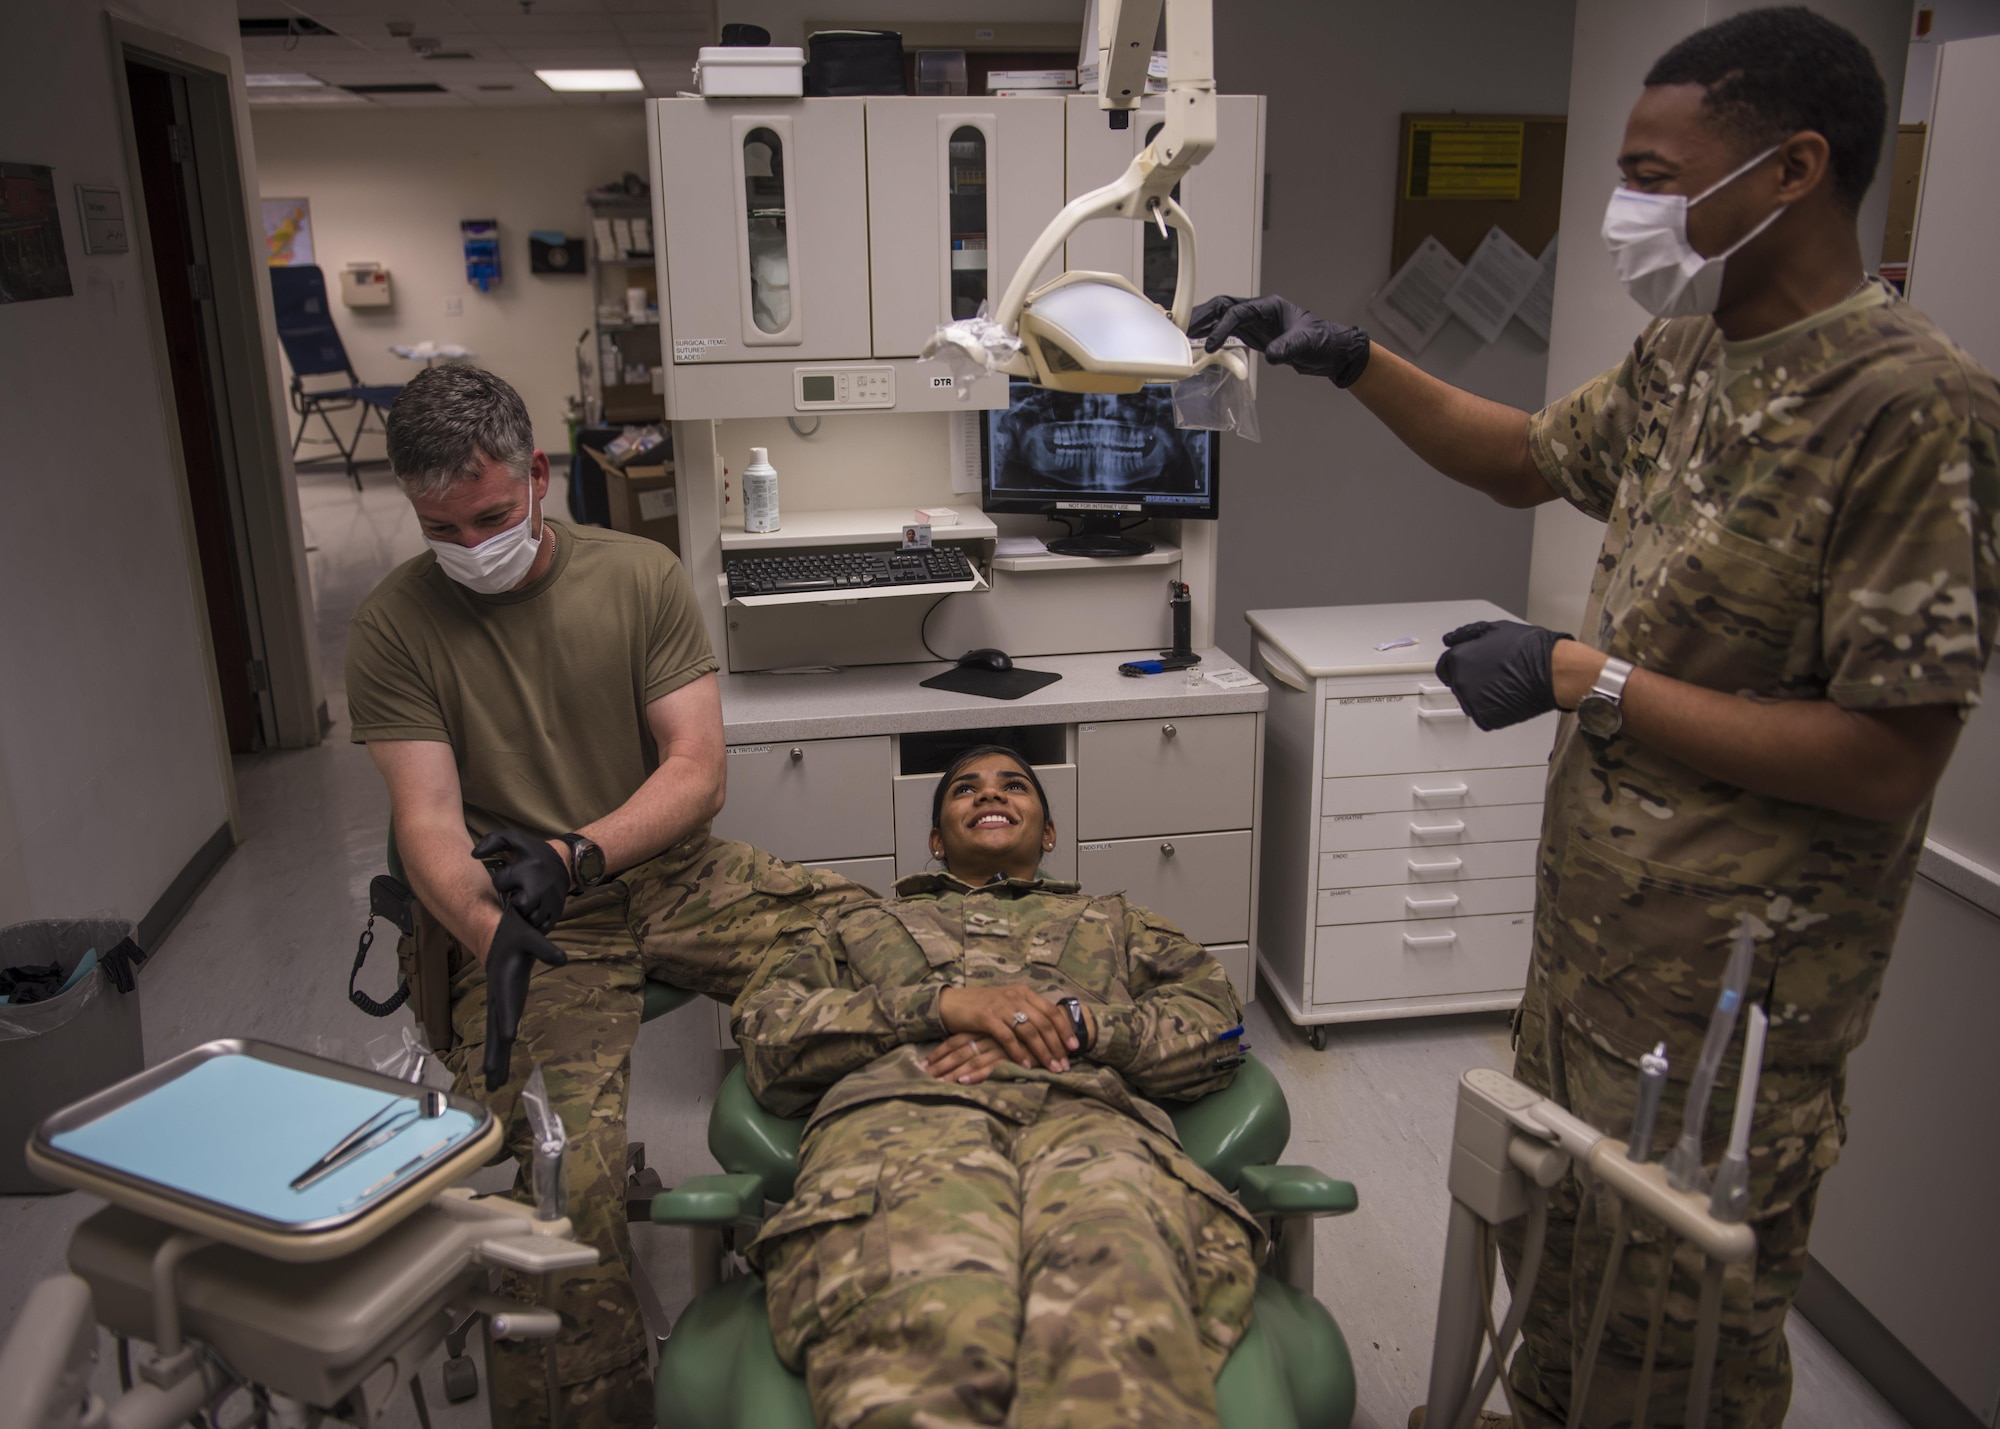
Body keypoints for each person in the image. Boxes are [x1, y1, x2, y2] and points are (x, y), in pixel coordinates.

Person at [1192, 10, 1999, 1429]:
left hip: (1739, 988)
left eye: (1652, 170)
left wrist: (1587, 675)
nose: (1628, 207)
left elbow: (1890, 757)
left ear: (1794, 167)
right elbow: (1520, 458)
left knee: (1675, 1331)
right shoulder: (1686, 360)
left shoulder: (1912, 409)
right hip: (1589, 957)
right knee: (1548, 1261)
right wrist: (1341, 357)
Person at [345, 363, 867, 1426]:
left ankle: (876, 1236)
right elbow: (429, 822)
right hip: (526, 923)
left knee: (883, 949)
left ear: (535, 475)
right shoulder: (393, 626)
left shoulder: (637, 575)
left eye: (487, 516)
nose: (466, 547)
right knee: (557, 1195)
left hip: (653, 871)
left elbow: (695, 771)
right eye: (438, 527)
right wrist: (489, 930)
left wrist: (580, 851)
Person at [731, 746, 1260, 1429]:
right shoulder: (856, 925)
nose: (990, 795)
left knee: (1121, 1314)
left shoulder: (1118, 921)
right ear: (933, 840)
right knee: (925, 1325)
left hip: (1088, 1117)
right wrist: (940, 1006)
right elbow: (768, 1034)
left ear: (1048, 834)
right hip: (904, 1119)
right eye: (965, 790)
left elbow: (1222, 1029)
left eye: (1014, 786)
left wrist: (1086, 1024)